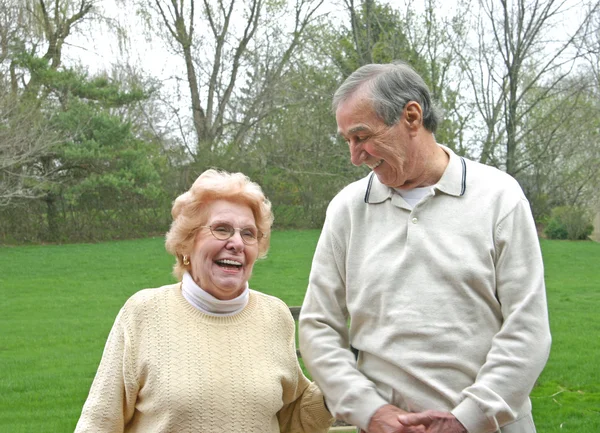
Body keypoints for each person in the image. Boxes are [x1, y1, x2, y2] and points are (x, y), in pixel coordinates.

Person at [298, 61, 552, 433]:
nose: (355, 156)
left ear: (412, 116)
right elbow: (319, 326)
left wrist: (469, 419)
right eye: (348, 141)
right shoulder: (348, 210)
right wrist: (372, 412)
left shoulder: (499, 197)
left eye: (362, 136)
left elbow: (528, 328)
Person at [75, 169, 333, 433]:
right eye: (221, 229)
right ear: (187, 241)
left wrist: (338, 385)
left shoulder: (274, 315)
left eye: (248, 233)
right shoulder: (144, 313)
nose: (236, 243)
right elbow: (99, 423)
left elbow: (293, 420)